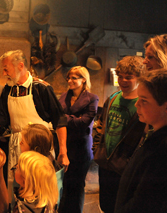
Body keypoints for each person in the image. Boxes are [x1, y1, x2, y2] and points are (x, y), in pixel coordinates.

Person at [0, 50, 69, 202]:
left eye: (6, 68)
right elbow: (2, 119)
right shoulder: (9, 89)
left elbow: (59, 120)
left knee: (39, 191)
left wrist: (63, 151)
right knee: (17, 189)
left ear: (20, 66)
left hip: (39, 146)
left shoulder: (41, 88)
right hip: (17, 144)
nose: (4, 72)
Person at [93, 56, 146, 213]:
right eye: (120, 76)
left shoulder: (142, 104)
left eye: (128, 77)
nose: (123, 81)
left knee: (121, 207)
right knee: (105, 205)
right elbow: (101, 126)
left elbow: (144, 138)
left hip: (125, 166)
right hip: (105, 162)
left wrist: (131, 162)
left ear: (139, 78)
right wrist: (97, 149)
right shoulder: (112, 98)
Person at [114, 69, 167, 213]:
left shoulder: (161, 149)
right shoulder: (155, 136)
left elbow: (145, 203)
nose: (137, 105)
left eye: (144, 101)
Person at [58, 66, 99, 213]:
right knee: (65, 184)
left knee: (77, 185)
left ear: (83, 79)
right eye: (68, 77)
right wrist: (73, 119)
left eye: (74, 78)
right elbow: (61, 117)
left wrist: (63, 118)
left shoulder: (92, 98)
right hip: (64, 146)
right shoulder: (64, 96)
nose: (69, 80)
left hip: (81, 149)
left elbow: (83, 123)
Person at [19, 123, 63, 206]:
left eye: (23, 142)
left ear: (35, 149)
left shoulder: (38, 168)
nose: (20, 143)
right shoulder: (48, 159)